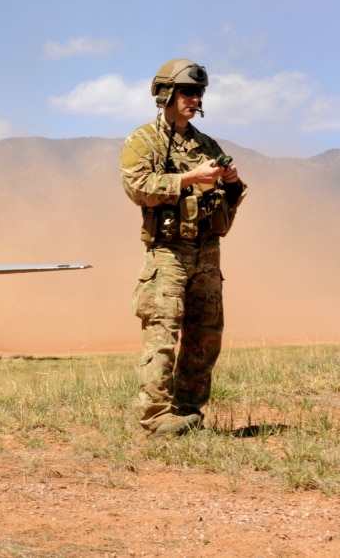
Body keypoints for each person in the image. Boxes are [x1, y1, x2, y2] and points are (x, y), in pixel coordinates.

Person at [120, 58, 247, 437]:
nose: (195, 99)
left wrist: (232, 183)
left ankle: (187, 412)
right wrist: (190, 178)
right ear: (166, 94)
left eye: (199, 93)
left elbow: (227, 197)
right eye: (188, 92)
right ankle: (156, 417)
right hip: (168, 254)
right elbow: (138, 187)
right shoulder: (143, 141)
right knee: (162, 334)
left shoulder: (206, 144)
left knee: (205, 335)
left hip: (207, 252)